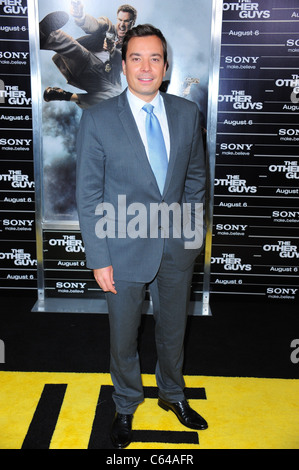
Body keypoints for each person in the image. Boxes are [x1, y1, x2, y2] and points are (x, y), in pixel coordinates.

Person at [76, 24, 207, 449]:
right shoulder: (97, 118)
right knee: (123, 336)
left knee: (173, 332)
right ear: (123, 64)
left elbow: (196, 180)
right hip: (121, 247)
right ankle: (127, 404)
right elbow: (89, 194)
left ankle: (173, 395)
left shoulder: (187, 114)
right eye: (137, 58)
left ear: (166, 67)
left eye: (155, 58)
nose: (146, 67)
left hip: (176, 249)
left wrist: (191, 238)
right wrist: (98, 257)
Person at [40, 3, 137, 109]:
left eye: (126, 21)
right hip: (85, 61)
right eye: (120, 20)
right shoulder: (108, 27)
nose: (122, 25)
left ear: (132, 23)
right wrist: (81, 17)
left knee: (116, 96)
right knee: (76, 50)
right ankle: (46, 37)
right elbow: (94, 25)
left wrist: (112, 51)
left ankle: (65, 95)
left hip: (100, 80)